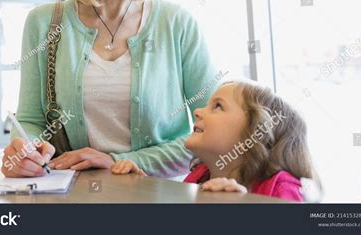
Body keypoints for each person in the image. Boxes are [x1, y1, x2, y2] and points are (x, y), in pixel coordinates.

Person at [1, 0, 217, 178]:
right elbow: (30, 120)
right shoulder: (43, 24)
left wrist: (118, 160)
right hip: (74, 200)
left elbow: (215, 138)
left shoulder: (177, 24)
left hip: (160, 201)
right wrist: (25, 149)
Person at [112, 81, 320, 201]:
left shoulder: (282, 190)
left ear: (255, 131)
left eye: (217, 106)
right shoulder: (200, 175)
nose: (197, 111)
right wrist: (141, 187)